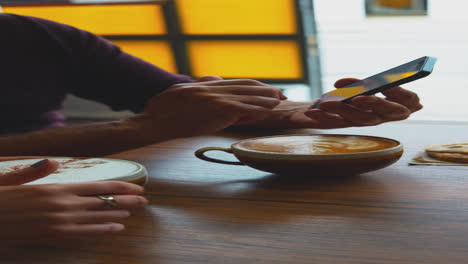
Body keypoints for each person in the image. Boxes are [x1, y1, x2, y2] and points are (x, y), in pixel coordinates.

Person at [0, 13, 422, 240]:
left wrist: (299, 114)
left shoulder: (35, 36)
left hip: (98, 191)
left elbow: (174, 97)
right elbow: (161, 117)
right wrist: (142, 129)